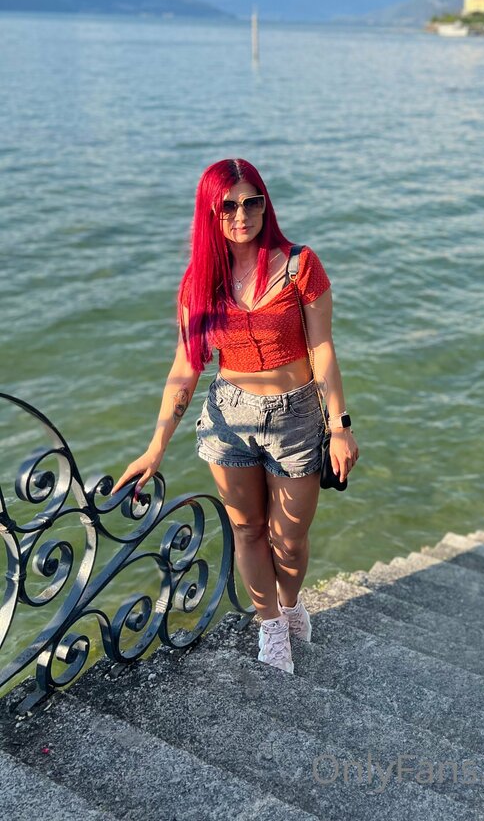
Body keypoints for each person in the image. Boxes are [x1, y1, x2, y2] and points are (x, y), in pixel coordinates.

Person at [111, 158, 358, 674]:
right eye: (227, 205)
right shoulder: (199, 284)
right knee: (247, 530)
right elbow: (186, 367)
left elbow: (323, 349)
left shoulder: (300, 266)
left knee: (289, 540)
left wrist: (339, 426)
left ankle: (290, 604)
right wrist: (155, 448)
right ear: (210, 211)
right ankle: (270, 626)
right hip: (229, 419)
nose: (241, 215)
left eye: (251, 202)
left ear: (265, 205)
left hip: (296, 416)